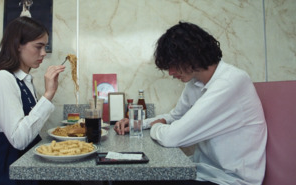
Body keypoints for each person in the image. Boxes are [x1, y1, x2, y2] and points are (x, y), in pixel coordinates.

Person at [114, 22, 267, 185]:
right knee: (126, 176)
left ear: (191, 55)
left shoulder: (230, 82)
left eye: (172, 65)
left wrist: (155, 127)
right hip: (203, 170)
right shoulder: (195, 84)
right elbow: (174, 116)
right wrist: (136, 124)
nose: (170, 73)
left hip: (230, 180)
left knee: (129, 179)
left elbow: (172, 137)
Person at [0, 17, 66, 185]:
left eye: (45, 46)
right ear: (17, 45)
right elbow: (19, 139)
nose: (44, 53)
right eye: (38, 46)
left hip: (26, 159)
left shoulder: (24, 81)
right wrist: (49, 94)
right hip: (8, 164)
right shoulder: (2, 78)